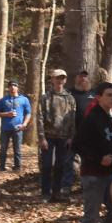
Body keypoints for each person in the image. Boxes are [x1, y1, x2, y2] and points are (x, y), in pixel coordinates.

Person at [72, 82, 112, 223]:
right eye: (109, 95)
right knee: (91, 216)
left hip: (110, 173)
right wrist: (99, 158)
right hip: (93, 174)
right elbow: (77, 144)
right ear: (99, 97)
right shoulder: (92, 118)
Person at [37, 69, 76, 202]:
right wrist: (42, 138)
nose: (60, 80)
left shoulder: (70, 98)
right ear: (52, 79)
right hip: (48, 136)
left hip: (64, 137)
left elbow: (72, 118)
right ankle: (45, 193)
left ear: (65, 80)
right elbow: (40, 118)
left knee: (61, 166)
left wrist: (71, 136)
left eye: (62, 78)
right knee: (47, 165)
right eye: (57, 78)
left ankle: (57, 192)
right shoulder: (45, 97)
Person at [0, 80, 32, 171]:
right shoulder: (3, 100)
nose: (13, 87)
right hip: (5, 129)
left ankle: (17, 167)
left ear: (18, 87)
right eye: (11, 86)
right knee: (3, 148)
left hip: (18, 128)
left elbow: (28, 113)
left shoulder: (24, 99)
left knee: (17, 149)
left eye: (15, 85)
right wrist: (6, 114)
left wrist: (24, 124)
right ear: (8, 88)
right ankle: (2, 167)